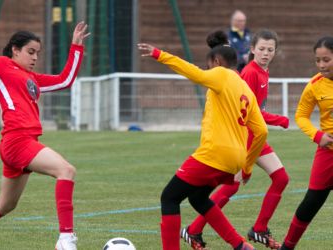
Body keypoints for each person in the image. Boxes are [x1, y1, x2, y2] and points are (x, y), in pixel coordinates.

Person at [0, 21, 89, 250]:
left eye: (37, 54)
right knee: (66, 170)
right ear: (15, 49)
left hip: (23, 143)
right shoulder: (2, 66)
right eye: (30, 52)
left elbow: (65, 80)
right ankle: (66, 239)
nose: (34, 58)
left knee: (6, 204)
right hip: (17, 141)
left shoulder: (33, 78)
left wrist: (76, 48)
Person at [137, 30, 268, 250]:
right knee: (198, 198)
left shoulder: (221, 74)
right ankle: (240, 245)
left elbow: (194, 73)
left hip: (214, 154)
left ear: (216, 62)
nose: (208, 71)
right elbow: (262, 131)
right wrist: (246, 167)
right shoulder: (245, 89)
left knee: (169, 197)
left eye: (209, 66)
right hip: (234, 159)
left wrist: (159, 54)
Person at [181, 29, 289, 250]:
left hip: (256, 137)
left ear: (275, 52)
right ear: (252, 49)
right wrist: (279, 119)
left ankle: (259, 228)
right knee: (231, 188)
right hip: (244, 139)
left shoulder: (263, 72)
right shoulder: (250, 73)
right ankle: (193, 230)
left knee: (281, 178)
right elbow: (251, 113)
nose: (266, 53)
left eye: (270, 49)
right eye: (261, 49)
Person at [278, 37, 333, 250]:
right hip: (327, 153)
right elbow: (301, 115)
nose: (321, 65)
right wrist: (317, 136)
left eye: (326, 59)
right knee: (310, 203)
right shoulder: (314, 85)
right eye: (318, 60)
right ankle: (287, 247)